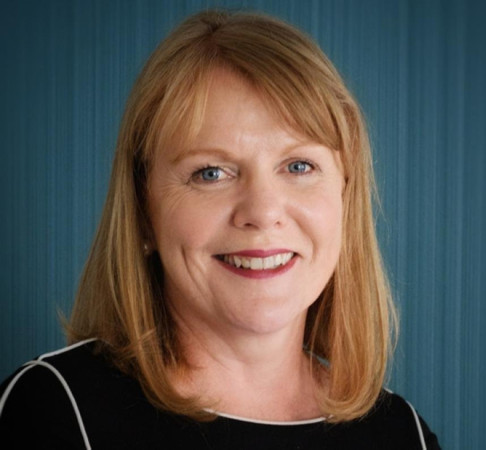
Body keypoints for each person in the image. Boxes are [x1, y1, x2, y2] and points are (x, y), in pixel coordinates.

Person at [0, 9, 439, 449]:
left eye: (299, 165)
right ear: (143, 211)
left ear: (345, 196)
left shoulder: (404, 434)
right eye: (211, 173)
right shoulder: (54, 411)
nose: (263, 212)